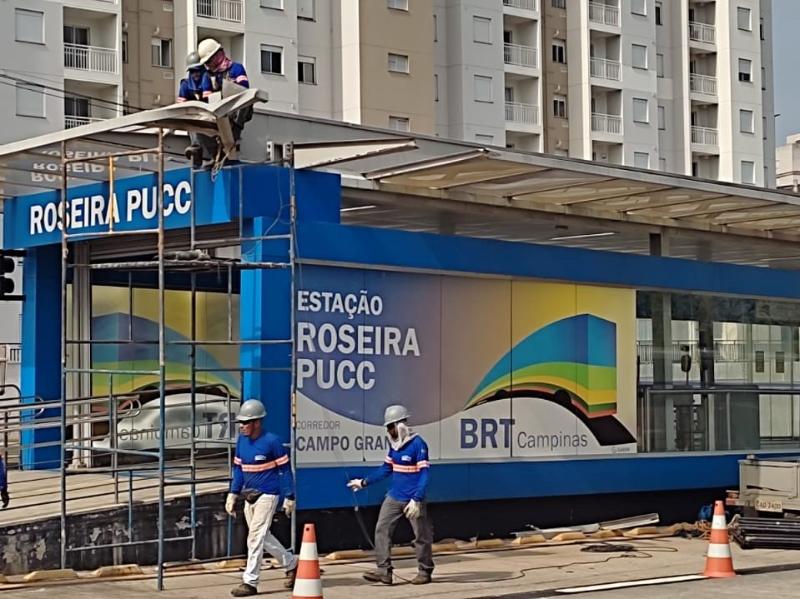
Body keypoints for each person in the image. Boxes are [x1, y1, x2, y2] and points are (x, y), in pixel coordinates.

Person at [347, 404, 434, 585]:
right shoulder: (394, 446)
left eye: (390, 427)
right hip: (394, 496)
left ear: (400, 425)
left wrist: (417, 499)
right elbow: (386, 469)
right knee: (382, 529)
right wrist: (363, 482)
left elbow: (425, 474)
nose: (388, 431)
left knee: (421, 535)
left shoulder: (418, 445)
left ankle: (424, 571)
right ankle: (384, 571)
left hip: (412, 500)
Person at [226, 399, 297, 597]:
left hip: (268, 494)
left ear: (257, 422)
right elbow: (238, 469)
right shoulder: (242, 442)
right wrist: (233, 494)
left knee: (255, 537)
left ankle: (250, 581)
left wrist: (289, 496)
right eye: (240, 422)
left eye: (246, 422)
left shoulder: (272, 442)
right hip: (249, 495)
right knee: (263, 538)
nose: (242, 426)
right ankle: (292, 565)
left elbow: (285, 471)